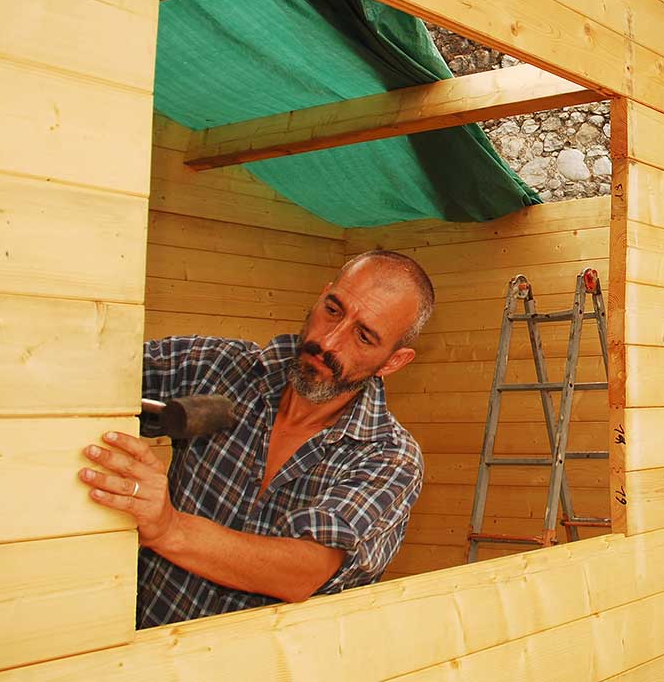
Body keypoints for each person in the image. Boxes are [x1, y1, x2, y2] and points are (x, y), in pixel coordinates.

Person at [77, 249, 433, 628]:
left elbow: (303, 572)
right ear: (321, 296)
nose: (329, 342)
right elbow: (95, 371)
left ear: (393, 361)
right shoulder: (217, 367)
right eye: (333, 310)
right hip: (134, 649)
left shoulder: (390, 457)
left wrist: (167, 527)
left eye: (363, 336)